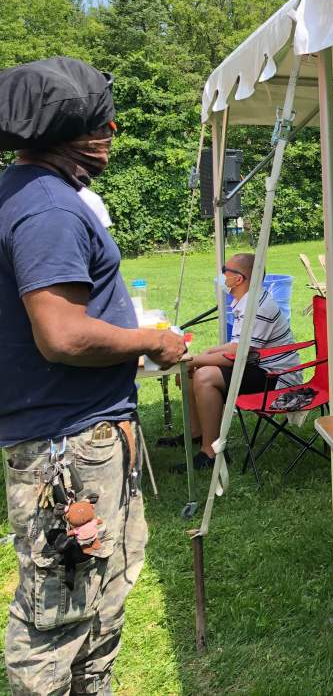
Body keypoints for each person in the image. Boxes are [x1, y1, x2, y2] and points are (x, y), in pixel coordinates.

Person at [0, 58, 186, 695]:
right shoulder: (47, 208)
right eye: (105, 124)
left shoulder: (29, 193)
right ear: (72, 131)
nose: (112, 135)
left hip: (81, 432)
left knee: (101, 595)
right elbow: (61, 334)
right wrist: (151, 340)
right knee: (57, 612)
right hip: (68, 446)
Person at [177, 253, 302, 471]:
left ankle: (211, 453)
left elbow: (238, 354)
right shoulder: (247, 301)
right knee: (193, 371)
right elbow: (237, 345)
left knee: (204, 376)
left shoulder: (257, 307)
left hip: (277, 378)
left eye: (225, 270)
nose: (221, 275)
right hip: (260, 367)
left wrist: (194, 360)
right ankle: (197, 434)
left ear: (238, 279)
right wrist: (203, 356)